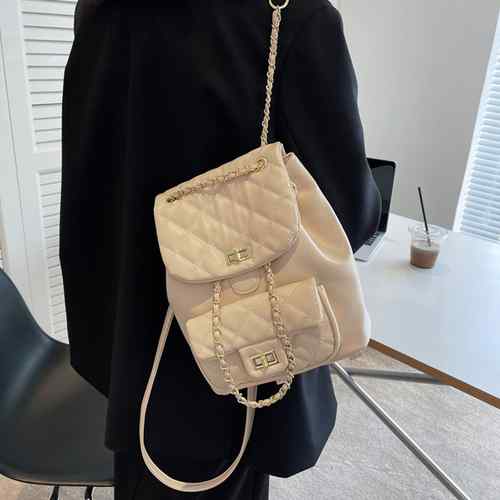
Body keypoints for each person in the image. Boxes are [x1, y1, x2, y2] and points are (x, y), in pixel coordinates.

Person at [60, 0, 382, 498]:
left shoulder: (100, 9)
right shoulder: (293, 16)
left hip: (123, 336)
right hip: (233, 342)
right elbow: (348, 214)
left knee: (141, 474)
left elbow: (91, 170)